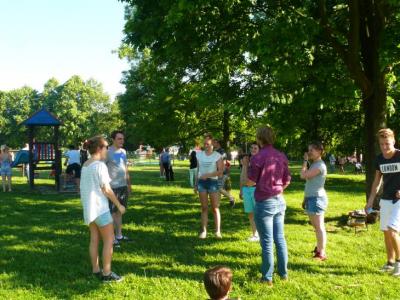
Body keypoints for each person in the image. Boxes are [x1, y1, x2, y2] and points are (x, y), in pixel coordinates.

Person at [243, 126, 291, 286]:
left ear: (259, 139)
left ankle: (267, 278)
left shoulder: (257, 158)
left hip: (265, 202)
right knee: (280, 239)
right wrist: (276, 189)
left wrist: (245, 167)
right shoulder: (281, 155)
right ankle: (283, 274)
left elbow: (250, 182)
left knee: (267, 241)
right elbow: (287, 180)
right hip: (279, 200)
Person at [80, 135, 126, 283]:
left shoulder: (86, 165)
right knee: (109, 240)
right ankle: (106, 274)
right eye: (106, 147)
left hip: (89, 209)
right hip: (100, 209)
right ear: (99, 149)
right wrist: (119, 205)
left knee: (94, 240)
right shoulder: (100, 165)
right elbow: (106, 189)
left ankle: (95, 269)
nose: (107, 149)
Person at [365, 128, 400, 276]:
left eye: (387, 143)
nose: (384, 147)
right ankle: (390, 262)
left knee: (392, 230)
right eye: (381, 144)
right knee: (386, 232)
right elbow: (377, 181)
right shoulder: (379, 159)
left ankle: (399, 263)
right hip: (385, 199)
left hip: (398, 200)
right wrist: (371, 201)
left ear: (393, 141)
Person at [301, 141, 328, 261]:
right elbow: (309, 184)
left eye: (312, 150)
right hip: (311, 198)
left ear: (319, 151)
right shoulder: (315, 164)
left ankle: (321, 253)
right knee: (316, 227)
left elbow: (303, 175)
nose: (309, 152)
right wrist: (305, 199)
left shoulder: (319, 166)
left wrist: (305, 161)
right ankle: (319, 248)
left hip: (317, 199)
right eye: (309, 150)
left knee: (319, 227)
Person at [106, 130, 132, 247]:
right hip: (112, 187)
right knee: (112, 212)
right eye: (119, 139)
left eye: (123, 138)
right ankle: (111, 238)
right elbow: (101, 168)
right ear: (113, 139)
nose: (122, 141)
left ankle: (119, 235)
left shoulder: (123, 151)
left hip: (123, 186)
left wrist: (129, 184)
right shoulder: (107, 152)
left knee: (120, 211)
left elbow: (125, 168)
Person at [195, 134, 224, 239]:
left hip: (213, 183)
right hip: (201, 183)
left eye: (208, 144)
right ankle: (204, 231)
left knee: (215, 208)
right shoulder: (199, 155)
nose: (206, 145)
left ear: (213, 145)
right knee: (204, 208)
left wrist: (208, 175)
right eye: (205, 144)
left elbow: (220, 172)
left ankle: (218, 231)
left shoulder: (217, 156)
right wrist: (195, 184)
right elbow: (198, 170)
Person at [239, 142, 260, 242]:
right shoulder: (247, 159)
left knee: (258, 213)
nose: (253, 149)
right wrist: (241, 190)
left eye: (255, 148)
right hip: (246, 189)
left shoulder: (260, 160)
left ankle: (261, 234)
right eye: (251, 148)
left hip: (256, 189)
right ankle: (255, 234)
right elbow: (242, 176)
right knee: (250, 213)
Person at [213, 139, 235, 207]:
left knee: (219, 188)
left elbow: (223, 162)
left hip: (222, 172)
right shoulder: (215, 151)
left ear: (218, 143)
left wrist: (221, 172)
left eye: (215, 142)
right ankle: (217, 205)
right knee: (218, 188)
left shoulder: (221, 151)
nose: (213, 143)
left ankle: (231, 198)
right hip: (217, 172)